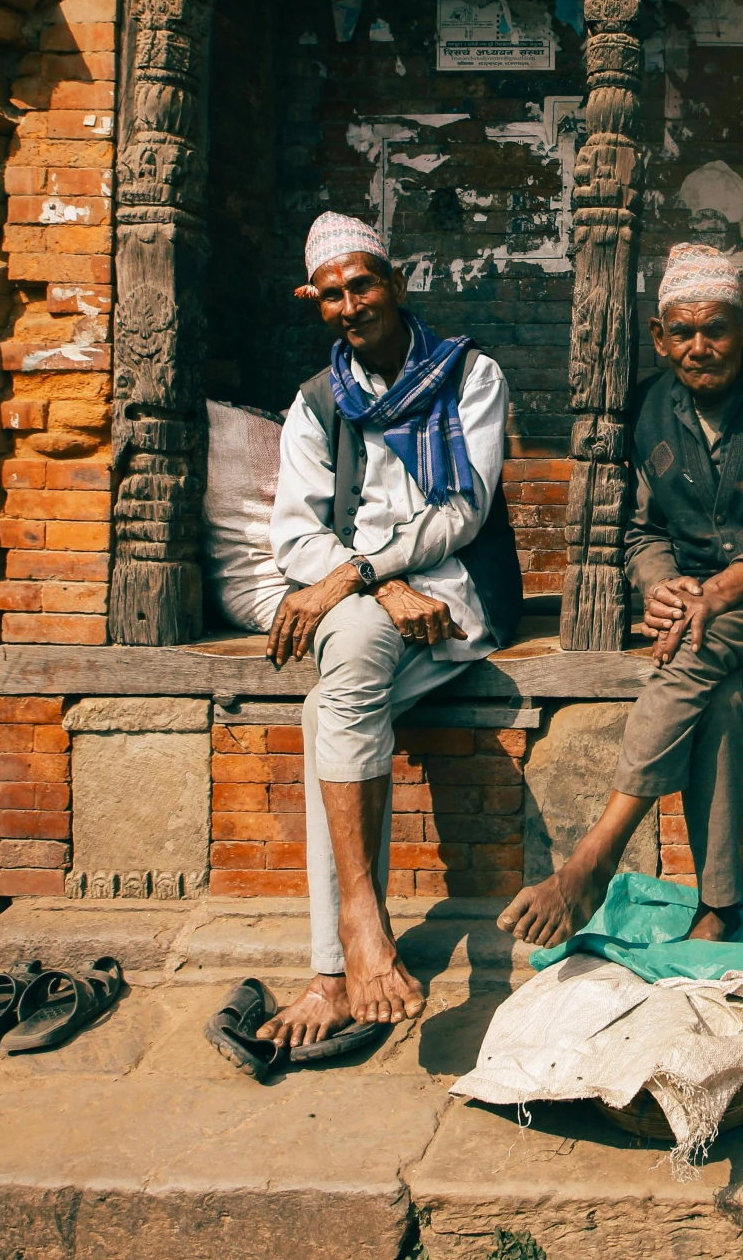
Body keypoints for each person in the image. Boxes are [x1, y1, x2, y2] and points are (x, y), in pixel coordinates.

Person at [499, 244, 743, 947]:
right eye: (682, 332)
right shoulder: (649, 408)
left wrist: (720, 592)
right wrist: (661, 585)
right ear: (659, 338)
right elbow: (639, 529)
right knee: (714, 685)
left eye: (715, 328)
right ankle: (718, 907)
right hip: (699, 609)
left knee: (698, 647)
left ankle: (594, 857)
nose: (700, 347)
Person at [259, 213, 522, 1050]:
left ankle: (336, 963)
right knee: (353, 664)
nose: (349, 304)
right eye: (330, 294)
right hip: (374, 598)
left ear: (396, 282)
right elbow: (294, 535)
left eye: (361, 284)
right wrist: (376, 582)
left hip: (454, 589)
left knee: (330, 701)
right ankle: (358, 938)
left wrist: (361, 575)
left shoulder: (471, 376)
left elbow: (461, 510)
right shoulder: (314, 403)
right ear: (317, 303)